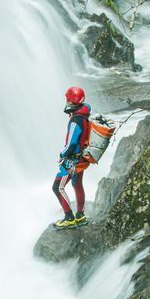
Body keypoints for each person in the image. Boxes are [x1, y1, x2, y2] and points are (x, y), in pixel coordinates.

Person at [52, 86, 91, 229]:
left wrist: (62, 154)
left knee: (57, 187)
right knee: (77, 184)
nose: (66, 100)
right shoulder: (84, 114)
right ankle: (81, 215)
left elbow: (72, 142)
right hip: (81, 158)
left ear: (72, 100)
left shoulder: (76, 120)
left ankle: (69, 218)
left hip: (72, 161)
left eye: (67, 98)